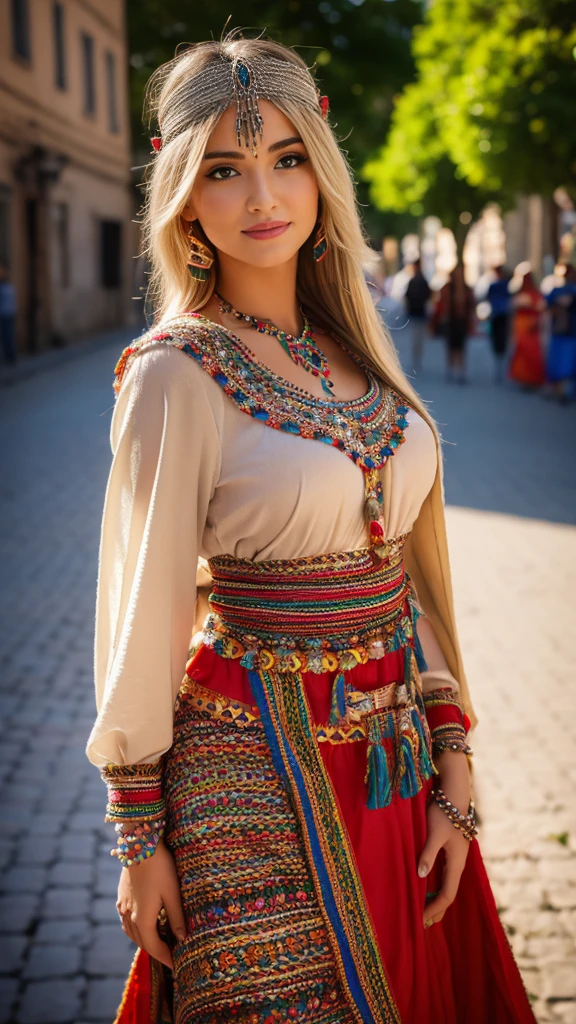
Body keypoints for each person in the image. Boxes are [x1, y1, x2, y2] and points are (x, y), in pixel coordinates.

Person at [86, 34, 536, 1024]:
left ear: (323, 171)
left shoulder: (361, 356)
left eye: (288, 158)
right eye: (224, 170)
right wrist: (140, 837)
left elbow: (402, 573)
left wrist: (453, 753)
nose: (262, 197)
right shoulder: (175, 372)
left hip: (399, 767)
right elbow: (143, 608)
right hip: (249, 774)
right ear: (185, 197)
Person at [431, 264, 475, 384]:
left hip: (462, 321)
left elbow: (471, 305)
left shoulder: (467, 289)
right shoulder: (448, 288)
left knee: (461, 347)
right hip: (451, 321)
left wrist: (472, 321)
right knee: (450, 347)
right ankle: (450, 370)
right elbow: (441, 303)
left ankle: (461, 372)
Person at [508, 266, 546, 389]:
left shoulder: (534, 294)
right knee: (522, 351)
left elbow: (540, 308)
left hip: (531, 324)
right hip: (522, 325)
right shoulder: (521, 292)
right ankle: (523, 378)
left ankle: (533, 379)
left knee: (532, 352)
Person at [544, 263, 576, 402]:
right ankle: (559, 389)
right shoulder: (557, 291)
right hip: (561, 331)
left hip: (569, 331)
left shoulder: (568, 290)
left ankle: (563, 390)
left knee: (567, 362)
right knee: (560, 362)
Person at [405, 258, 431, 374]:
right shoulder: (419, 280)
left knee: (417, 338)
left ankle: (417, 359)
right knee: (418, 339)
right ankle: (417, 359)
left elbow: (408, 296)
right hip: (418, 312)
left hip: (416, 312)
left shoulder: (416, 280)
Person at [486, 265, 511, 382]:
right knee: (498, 343)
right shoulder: (497, 285)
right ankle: (499, 370)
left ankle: (501, 370)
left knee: (500, 343)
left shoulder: (503, 285)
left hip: (501, 316)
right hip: (497, 316)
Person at [0, 262, 17, 365]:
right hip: (10, 313)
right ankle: (10, 356)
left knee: (7, 336)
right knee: (9, 336)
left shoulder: (3, 290)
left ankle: (9, 356)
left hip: (4, 314)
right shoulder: (10, 288)